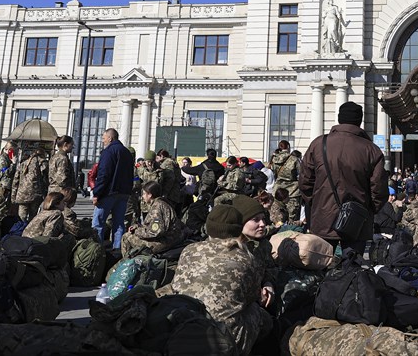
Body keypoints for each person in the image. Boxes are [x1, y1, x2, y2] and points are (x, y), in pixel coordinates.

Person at [161, 204, 273, 355]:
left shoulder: (189, 250)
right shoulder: (246, 258)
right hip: (221, 340)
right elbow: (253, 297)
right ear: (237, 229)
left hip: (183, 328)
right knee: (257, 313)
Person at [299, 101, 387, 254]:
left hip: (323, 215)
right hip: (357, 218)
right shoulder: (371, 150)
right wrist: (368, 210)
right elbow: (378, 190)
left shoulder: (319, 144)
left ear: (339, 119)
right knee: (353, 267)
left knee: (322, 263)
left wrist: (316, 203)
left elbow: (305, 182)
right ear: (359, 121)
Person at [92, 128, 135, 250]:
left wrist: (97, 193)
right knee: (119, 223)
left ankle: (96, 251)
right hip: (124, 193)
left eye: (104, 138)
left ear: (110, 138)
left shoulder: (109, 152)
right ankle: (117, 250)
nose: (103, 141)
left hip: (109, 192)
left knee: (98, 223)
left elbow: (103, 174)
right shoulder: (127, 153)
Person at [121, 180, 188, 258]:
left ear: (149, 195)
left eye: (144, 194)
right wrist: (138, 227)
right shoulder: (162, 203)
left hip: (165, 241)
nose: (142, 196)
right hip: (172, 238)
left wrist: (136, 231)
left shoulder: (157, 207)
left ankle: (126, 264)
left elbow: (156, 232)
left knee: (126, 237)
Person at [14, 146, 49, 222]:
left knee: (21, 217)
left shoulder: (23, 163)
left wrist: (13, 196)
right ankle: (29, 231)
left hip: (22, 194)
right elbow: (46, 179)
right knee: (33, 217)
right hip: (35, 194)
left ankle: (19, 231)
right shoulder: (42, 163)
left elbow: (16, 180)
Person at [269, 140, 302, 221]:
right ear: (288, 147)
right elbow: (301, 174)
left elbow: (273, 172)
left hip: (278, 190)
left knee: (278, 217)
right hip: (292, 191)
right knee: (292, 217)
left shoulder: (274, 159)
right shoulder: (294, 159)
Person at [0, 140, 17, 217]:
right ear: (9, 150)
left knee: (5, 208)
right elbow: (6, 172)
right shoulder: (2, 159)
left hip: (6, 186)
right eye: (13, 151)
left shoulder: (7, 158)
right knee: (0, 208)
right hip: (3, 186)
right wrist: (13, 164)